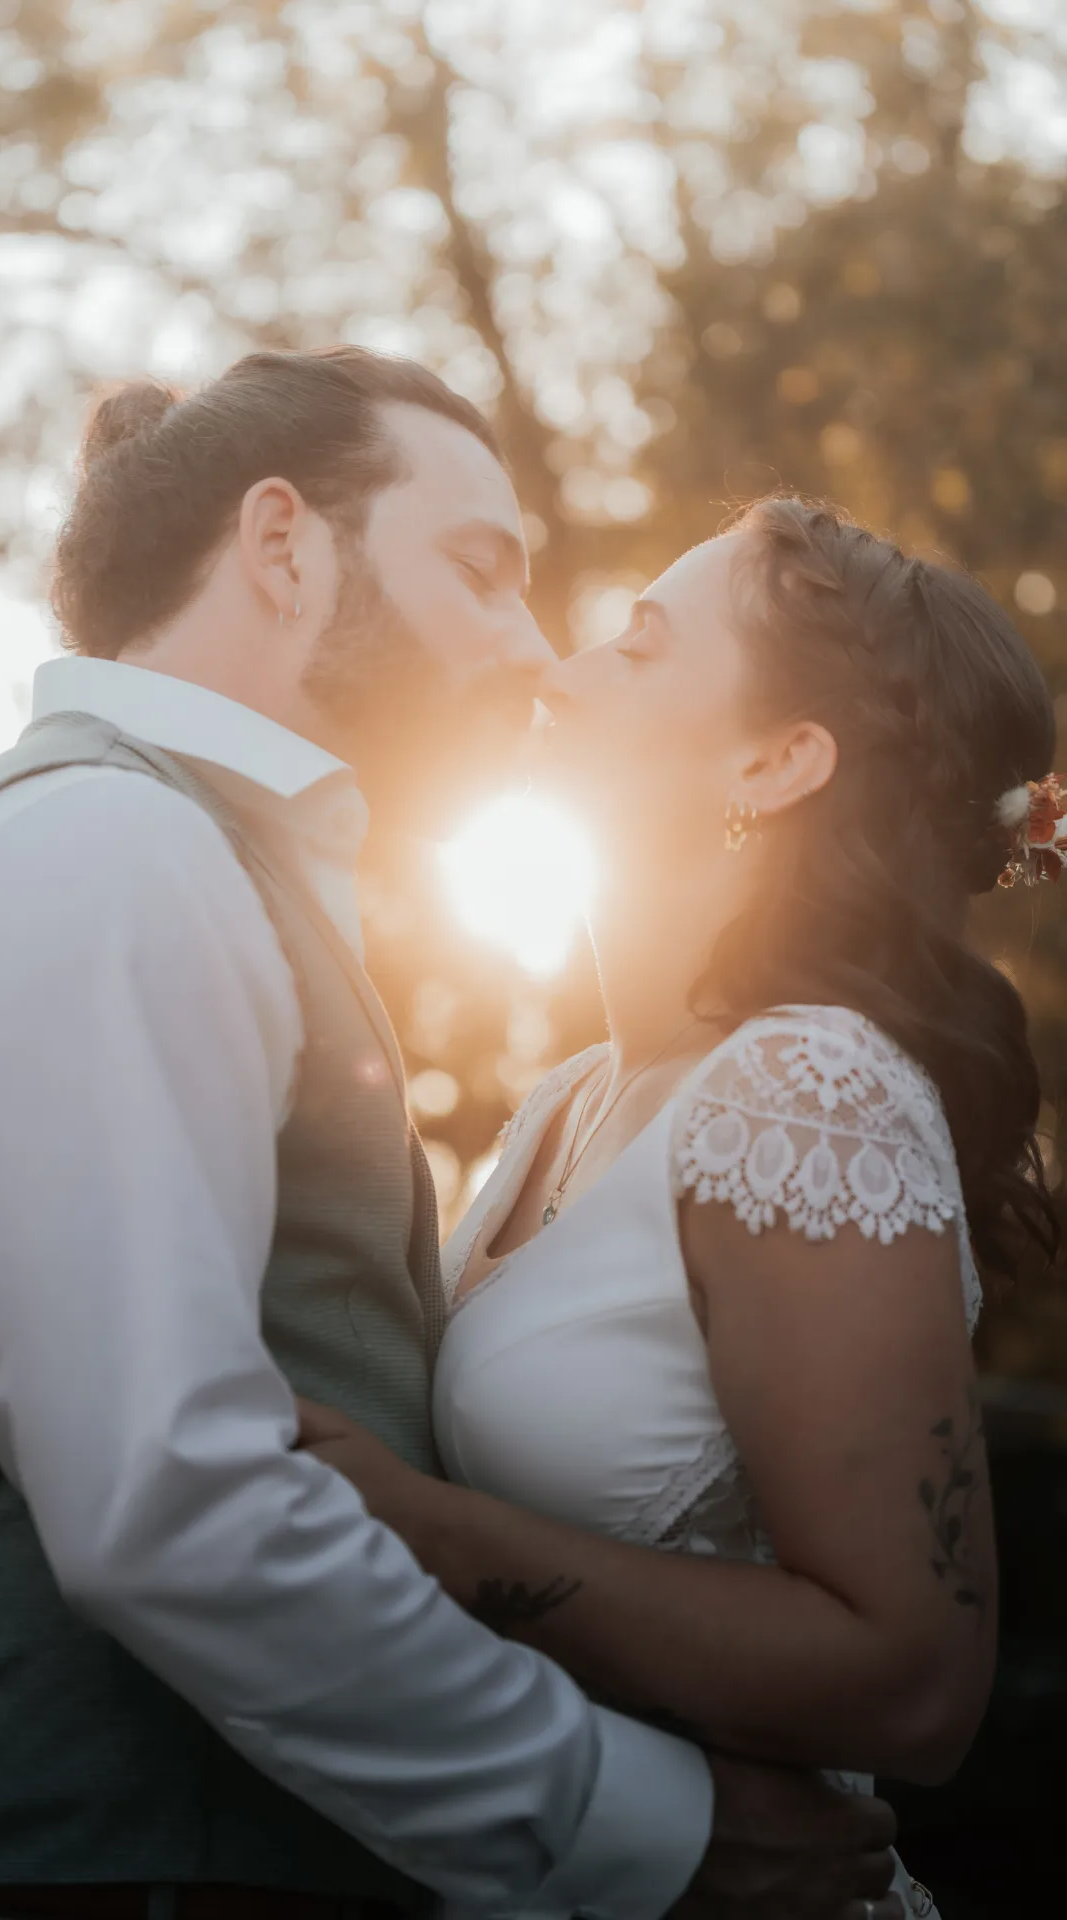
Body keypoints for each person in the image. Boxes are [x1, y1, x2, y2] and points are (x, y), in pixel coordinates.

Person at [0, 353, 899, 1920]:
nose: (535, 650)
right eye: (482, 570)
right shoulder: (102, 847)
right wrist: (640, 1825)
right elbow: (168, 1503)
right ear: (283, 546)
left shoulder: (192, 860)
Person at [296, 497, 1063, 1919]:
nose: (557, 668)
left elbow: (916, 1682)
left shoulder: (805, 1089)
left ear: (777, 762)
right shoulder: (575, 1098)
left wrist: (431, 1531)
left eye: (638, 650)